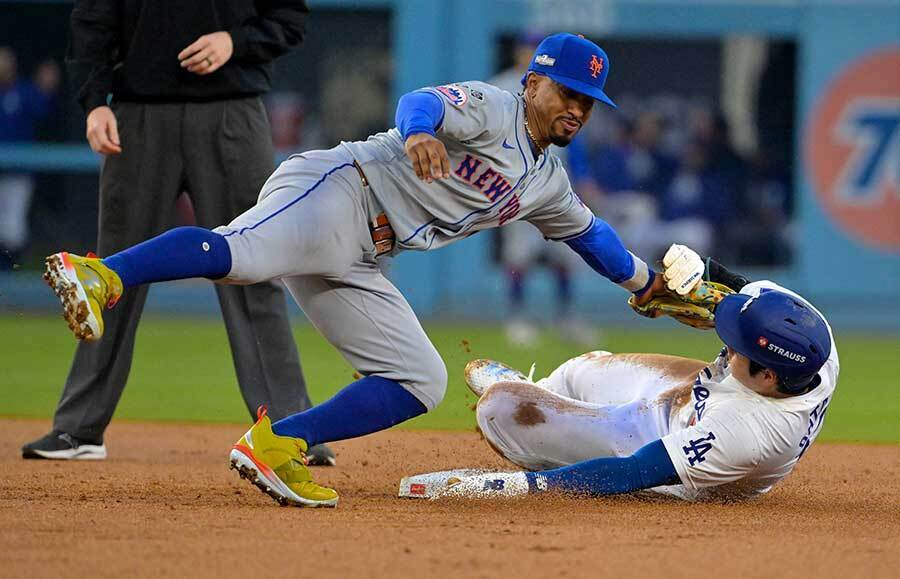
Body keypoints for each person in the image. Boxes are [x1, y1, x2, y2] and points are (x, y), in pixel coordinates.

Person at [42, 33, 669, 507]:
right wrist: (420, 132)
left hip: (365, 253)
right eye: (568, 93)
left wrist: (646, 284)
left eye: (589, 103)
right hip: (342, 190)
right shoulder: (494, 107)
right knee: (241, 255)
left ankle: (276, 443)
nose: (578, 111)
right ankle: (101, 274)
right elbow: (421, 101)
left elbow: (593, 237)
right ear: (534, 83)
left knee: (420, 379)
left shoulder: (546, 182)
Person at [23, 0, 335, 466]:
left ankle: (289, 429)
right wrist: (94, 103)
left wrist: (236, 41)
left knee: (255, 267)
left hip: (233, 111)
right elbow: (92, 20)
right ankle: (78, 428)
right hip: (138, 116)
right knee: (109, 274)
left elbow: (289, 19)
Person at [439, 249, 837, 502]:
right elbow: (741, 290)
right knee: (584, 368)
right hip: (697, 392)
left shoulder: (745, 435)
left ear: (767, 377)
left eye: (738, 346)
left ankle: (541, 419)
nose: (727, 342)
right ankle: (549, 395)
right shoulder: (810, 336)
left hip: (682, 451)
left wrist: (524, 489)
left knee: (502, 409)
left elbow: (633, 471)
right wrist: (696, 278)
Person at [491, 32, 596, 346]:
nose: (528, 54)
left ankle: (566, 316)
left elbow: (573, 142)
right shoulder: (500, 86)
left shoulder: (561, 88)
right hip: (513, 183)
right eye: (525, 49)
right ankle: (517, 317)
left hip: (554, 181)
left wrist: (583, 177)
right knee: (519, 256)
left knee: (564, 253)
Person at [0, 48, 60, 269]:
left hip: (18, 173)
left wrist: (47, 89)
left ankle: (10, 276)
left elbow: (43, 111)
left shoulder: (23, 92)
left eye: (6, 63)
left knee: (12, 230)